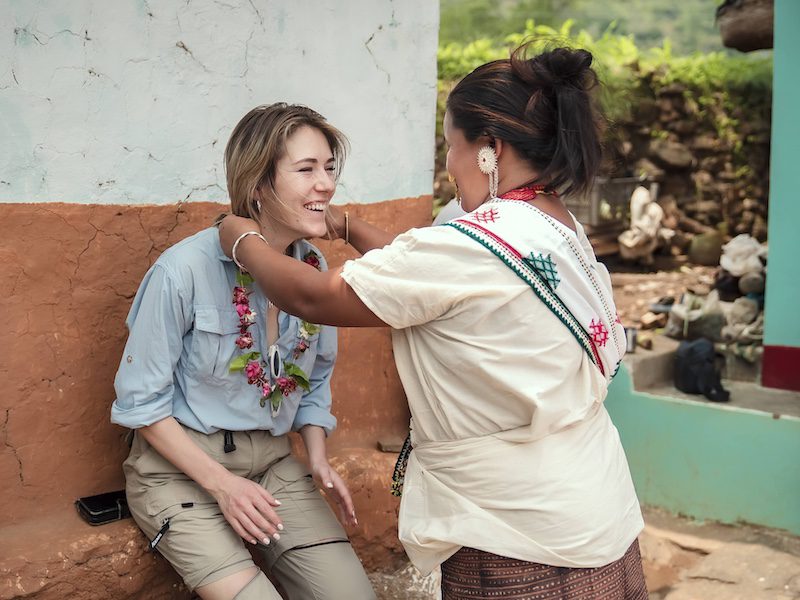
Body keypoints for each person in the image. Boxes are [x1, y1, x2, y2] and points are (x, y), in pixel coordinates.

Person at [219, 45, 647, 599]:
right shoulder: (552, 224)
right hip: (593, 508)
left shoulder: (479, 243)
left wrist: (241, 240)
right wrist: (346, 225)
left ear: (490, 149)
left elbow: (319, 297)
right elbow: (429, 276)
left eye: (452, 145)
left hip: (520, 540)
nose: (449, 162)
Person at [111, 103, 376, 600]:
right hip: (180, 473)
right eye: (306, 169)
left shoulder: (313, 268)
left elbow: (315, 377)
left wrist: (316, 456)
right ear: (258, 184)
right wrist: (221, 485)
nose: (326, 184)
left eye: (329, 167)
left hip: (274, 465)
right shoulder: (183, 271)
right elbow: (139, 403)